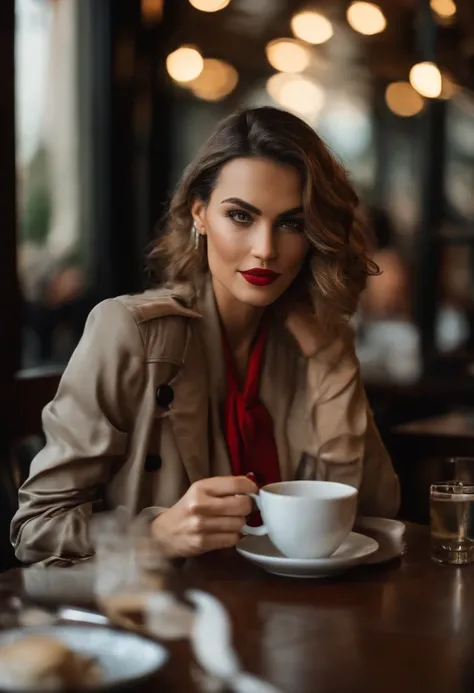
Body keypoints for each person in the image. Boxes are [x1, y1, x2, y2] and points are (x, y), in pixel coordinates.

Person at [11, 107, 400, 566]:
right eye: (240, 216)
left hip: (288, 618)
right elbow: (36, 529)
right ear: (199, 212)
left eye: (291, 223)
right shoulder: (130, 332)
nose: (265, 249)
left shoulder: (311, 343)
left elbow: (372, 514)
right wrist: (155, 534)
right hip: (164, 619)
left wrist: (330, 358)